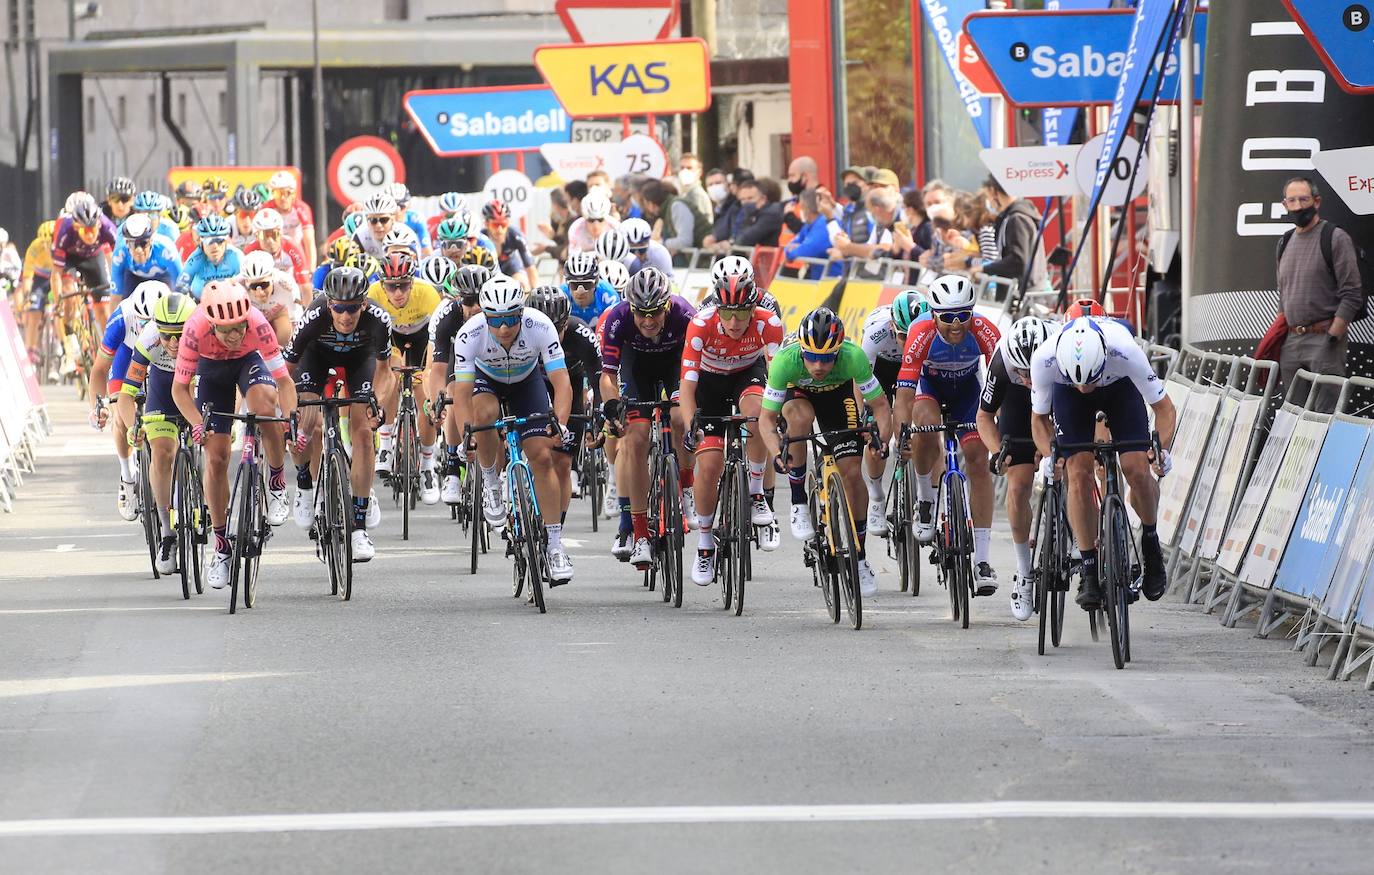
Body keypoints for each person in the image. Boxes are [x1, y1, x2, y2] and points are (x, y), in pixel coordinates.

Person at [1029, 316, 1176, 609]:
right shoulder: (1045, 359)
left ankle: (1150, 540)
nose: (1086, 388)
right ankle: (1089, 567)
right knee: (1078, 473)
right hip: (1067, 397)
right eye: (1079, 382)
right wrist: (1050, 456)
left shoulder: (1125, 350)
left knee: (1136, 468)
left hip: (1119, 388)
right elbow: (1039, 419)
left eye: (1090, 381)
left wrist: (1160, 450)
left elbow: (1164, 408)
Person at [171, 281, 297, 588]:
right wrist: (198, 423)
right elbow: (179, 390)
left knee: (264, 405)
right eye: (226, 330)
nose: (234, 335)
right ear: (211, 324)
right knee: (216, 458)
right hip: (211, 372)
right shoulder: (194, 328)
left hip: (248, 363)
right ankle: (222, 547)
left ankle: (277, 482)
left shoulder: (257, 323)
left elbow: (284, 383)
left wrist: (290, 419)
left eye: (239, 328)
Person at [759, 307, 892, 597]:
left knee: (852, 475)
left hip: (837, 395)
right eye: (812, 357)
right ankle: (798, 501)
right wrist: (776, 452)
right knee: (799, 419)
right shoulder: (785, 361)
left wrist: (882, 440)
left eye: (826, 358)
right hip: (799, 394)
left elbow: (881, 407)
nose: (818, 366)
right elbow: (766, 419)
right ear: (802, 351)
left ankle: (858, 557)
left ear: (838, 351)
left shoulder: (853, 357)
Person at [451, 276, 575, 584]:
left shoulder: (540, 326)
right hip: (486, 381)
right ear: (485, 316)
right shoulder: (471, 334)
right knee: (485, 413)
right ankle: (491, 481)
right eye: (495, 320)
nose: (503, 327)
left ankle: (555, 544)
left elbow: (561, 382)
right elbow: (462, 395)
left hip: (527, 383)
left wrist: (559, 423)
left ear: (521, 313)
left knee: (542, 457)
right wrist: (467, 435)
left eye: (510, 318)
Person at [893, 274, 1001, 593]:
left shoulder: (984, 331)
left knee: (978, 459)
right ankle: (926, 498)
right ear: (934, 314)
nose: (956, 325)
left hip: (969, 392)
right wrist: (903, 434)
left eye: (963, 316)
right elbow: (904, 394)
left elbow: (1003, 385)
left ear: (972, 313)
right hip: (931, 389)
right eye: (948, 317)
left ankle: (981, 561)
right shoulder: (920, 331)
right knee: (923, 426)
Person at [678, 264, 784, 585]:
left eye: (742, 313)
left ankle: (754, 494)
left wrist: (780, 421)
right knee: (709, 465)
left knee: (757, 412)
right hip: (708, 382)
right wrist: (689, 424)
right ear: (718, 309)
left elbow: (778, 379)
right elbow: (687, 384)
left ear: (754, 308)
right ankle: (706, 543)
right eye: (728, 314)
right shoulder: (700, 324)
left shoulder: (769, 323)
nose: (735, 322)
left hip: (746, 374)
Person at [286, 266, 393, 558]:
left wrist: (377, 401)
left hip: (361, 359)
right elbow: (287, 371)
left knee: (361, 430)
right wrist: (288, 409)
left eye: (353, 309)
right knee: (307, 424)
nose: (345, 316)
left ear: (364, 304)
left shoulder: (379, 319)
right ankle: (305, 483)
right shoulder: (314, 316)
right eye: (339, 308)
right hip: (315, 358)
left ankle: (359, 527)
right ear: (329, 303)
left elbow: (386, 372)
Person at [599, 268, 697, 567]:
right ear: (631, 307)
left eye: (656, 311)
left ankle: (686, 486)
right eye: (642, 312)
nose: (649, 320)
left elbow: (697, 369)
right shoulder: (617, 318)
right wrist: (612, 405)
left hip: (675, 366)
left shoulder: (686, 315)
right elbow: (607, 375)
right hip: (635, 369)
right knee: (635, 438)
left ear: (667, 304)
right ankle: (639, 533)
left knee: (681, 420)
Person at [976, 315, 1056, 620]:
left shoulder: (1057, 351)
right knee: (1018, 484)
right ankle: (1024, 573)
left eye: (1031, 372)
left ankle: (1077, 532)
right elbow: (984, 417)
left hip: (1058, 392)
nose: (1029, 379)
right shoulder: (1002, 362)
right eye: (1023, 372)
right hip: (1020, 406)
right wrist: (999, 452)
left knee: (1075, 462)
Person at [118, 291, 197, 573]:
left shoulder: (205, 333)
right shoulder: (149, 340)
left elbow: (228, 382)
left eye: (180, 335)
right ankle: (167, 533)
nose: (174, 343)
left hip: (197, 384)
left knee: (216, 444)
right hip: (163, 388)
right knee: (162, 453)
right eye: (167, 336)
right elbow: (127, 394)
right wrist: (131, 428)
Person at [1274, 176, 1365, 406]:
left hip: (1325, 340)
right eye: (1291, 200)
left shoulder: (1334, 237)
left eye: (1303, 199)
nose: (1297, 206)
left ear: (1317, 201)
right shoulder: (1284, 242)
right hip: (1291, 341)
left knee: (1325, 415)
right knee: (1292, 416)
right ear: (1284, 204)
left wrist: (1333, 336)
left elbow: (1352, 293)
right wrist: (1282, 334)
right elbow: (1283, 293)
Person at [88, 281, 170, 520]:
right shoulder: (121, 318)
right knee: (122, 418)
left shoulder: (178, 314)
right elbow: (99, 370)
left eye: (151, 322)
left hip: (162, 357)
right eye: (141, 321)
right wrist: (97, 406)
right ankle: (128, 475)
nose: (146, 327)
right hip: (127, 358)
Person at [367, 250, 443, 505]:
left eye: (403, 286)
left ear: (412, 283)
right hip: (391, 338)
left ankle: (427, 466)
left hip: (423, 337)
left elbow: (437, 340)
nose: (398, 293)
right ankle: (386, 443)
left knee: (424, 395)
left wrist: (429, 373)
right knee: (391, 375)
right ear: (382, 285)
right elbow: (371, 340)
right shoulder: (373, 295)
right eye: (392, 286)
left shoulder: (428, 294)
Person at [527, 286, 603, 522]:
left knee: (561, 463)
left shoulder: (580, 332)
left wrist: (598, 420)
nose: (553, 335)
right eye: (547, 328)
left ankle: (555, 528)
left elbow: (599, 381)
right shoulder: (520, 333)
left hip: (570, 384)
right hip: (533, 384)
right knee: (536, 452)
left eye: (558, 328)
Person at [859, 289, 929, 533]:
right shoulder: (876, 332)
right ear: (892, 326)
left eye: (913, 336)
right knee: (877, 436)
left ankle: (924, 497)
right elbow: (860, 379)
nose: (908, 342)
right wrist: (865, 416)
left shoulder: (929, 333)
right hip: (880, 370)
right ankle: (876, 497)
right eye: (902, 336)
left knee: (920, 425)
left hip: (913, 368)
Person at [428, 263, 489, 504]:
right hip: (459, 360)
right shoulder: (447, 316)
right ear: (457, 299)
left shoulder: (498, 312)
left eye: (479, 301)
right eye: (468, 302)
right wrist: (437, 401)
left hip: (491, 360)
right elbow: (437, 369)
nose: (474, 308)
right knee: (453, 394)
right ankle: (452, 468)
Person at [971, 175, 1048, 294]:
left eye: (988, 196)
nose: (989, 201)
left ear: (993, 191)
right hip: (1026, 291)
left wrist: (984, 268)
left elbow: (1018, 260)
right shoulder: (1013, 216)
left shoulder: (1017, 219)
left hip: (1025, 294)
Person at [52, 192, 119, 326]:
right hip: (69, 258)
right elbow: (56, 273)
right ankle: (69, 329)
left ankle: (105, 344)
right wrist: (58, 300)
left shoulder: (107, 226)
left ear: (99, 226)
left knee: (104, 310)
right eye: (85, 231)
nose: (89, 236)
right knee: (69, 292)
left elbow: (119, 258)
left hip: (93, 256)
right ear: (76, 227)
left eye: (92, 231)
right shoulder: (64, 229)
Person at [243, 208, 310, 306]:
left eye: (274, 234)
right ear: (256, 236)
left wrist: (306, 309)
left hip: (288, 289)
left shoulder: (293, 247)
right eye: (264, 235)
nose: (270, 240)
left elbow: (306, 285)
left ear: (281, 233)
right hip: (262, 293)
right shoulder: (250, 251)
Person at [176, 214, 243, 301]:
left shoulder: (235, 255)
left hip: (230, 302)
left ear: (226, 241)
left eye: (219, 240)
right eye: (209, 241)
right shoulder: (195, 259)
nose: (214, 246)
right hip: (200, 303)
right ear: (201, 243)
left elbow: (247, 282)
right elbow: (180, 288)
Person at [17, 221, 56, 364]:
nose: (47, 247)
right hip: (40, 279)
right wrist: (28, 296)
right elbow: (28, 277)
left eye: (50, 243)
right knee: (33, 312)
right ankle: (30, 349)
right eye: (44, 243)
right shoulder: (34, 248)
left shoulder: (61, 245)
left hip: (58, 276)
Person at [239, 249, 297, 347]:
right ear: (246, 283)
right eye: (253, 287)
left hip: (277, 314)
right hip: (251, 319)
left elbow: (296, 321)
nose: (260, 292)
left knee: (286, 332)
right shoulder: (237, 286)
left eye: (264, 284)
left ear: (272, 277)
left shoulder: (286, 284)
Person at [483, 199, 538, 289]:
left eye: (503, 224)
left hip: (510, 266)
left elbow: (530, 266)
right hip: (488, 269)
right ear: (486, 224)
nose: (500, 230)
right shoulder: (481, 238)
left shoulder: (515, 235)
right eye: (495, 225)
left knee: (522, 284)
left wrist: (534, 290)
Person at [267, 170, 316, 270]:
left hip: (295, 253)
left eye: (287, 193)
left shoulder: (302, 209)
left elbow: (309, 241)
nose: (283, 198)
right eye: (278, 193)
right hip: (272, 254)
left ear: (294, 193)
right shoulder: (267, 209)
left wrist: (311, 270)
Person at [562, 251, 619, 326]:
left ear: (596, 283)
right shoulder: (562, 296)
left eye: (587, 284)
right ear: (567, 284)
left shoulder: (609, 296)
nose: (580, 291)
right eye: (574, 285)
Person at [567, 189, 618, 256]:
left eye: (600, 220)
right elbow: (573, 257)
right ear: (584, 218)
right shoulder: (575, 229)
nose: (596, 225)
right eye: (591, 220)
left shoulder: (615, 227)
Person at [676, 153, 715, 225]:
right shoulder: (684, 194)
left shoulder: (697, 195)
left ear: (699, 172)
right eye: (682, 168)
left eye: (689, 168)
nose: (685, 171)